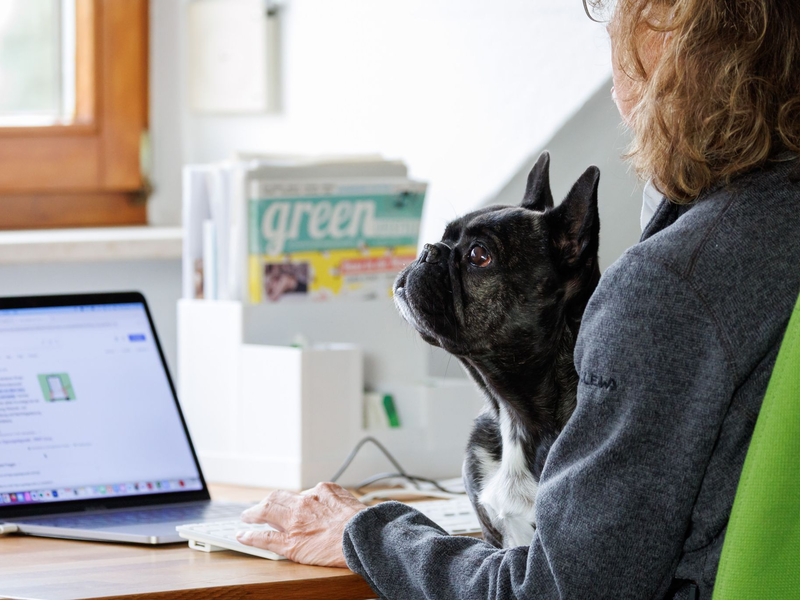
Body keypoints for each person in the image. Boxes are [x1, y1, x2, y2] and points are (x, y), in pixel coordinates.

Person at [236, 1, 800, 598]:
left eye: (623, 63)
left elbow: (556, 591)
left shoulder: (668, 288)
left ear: (672, 83)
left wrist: (369, 533)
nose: (616, 93)